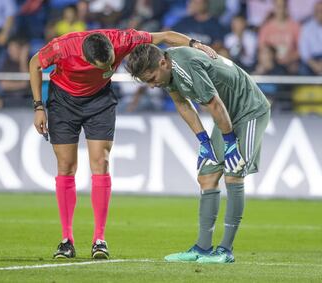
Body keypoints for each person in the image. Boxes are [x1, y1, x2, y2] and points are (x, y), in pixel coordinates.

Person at [29, 28, 217, 260]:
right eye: (102, 66)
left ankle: (100, 239)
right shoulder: (63, 46)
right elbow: (35, 63)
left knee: (101, 162)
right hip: (63, 101)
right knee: (66, 166)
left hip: (99, 100)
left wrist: (196, 43)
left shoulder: (122, 39)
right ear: (85, 58)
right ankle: (67, 240)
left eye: (110, 62)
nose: (108, 68)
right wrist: (39, 107)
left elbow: (165, 36)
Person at [125, 44, 271, 264]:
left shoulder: (186, 66)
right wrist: (203, 141)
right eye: (147, 81)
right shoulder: (167, 72)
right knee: (207, 176)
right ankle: (203, 248)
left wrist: (230, 141)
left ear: (162, 63)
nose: (152, 85)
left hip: (249, 110)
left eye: (152, 78)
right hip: (226, 114)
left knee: (234, 172)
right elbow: (182, 104)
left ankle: (225, 250)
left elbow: (214, 104)